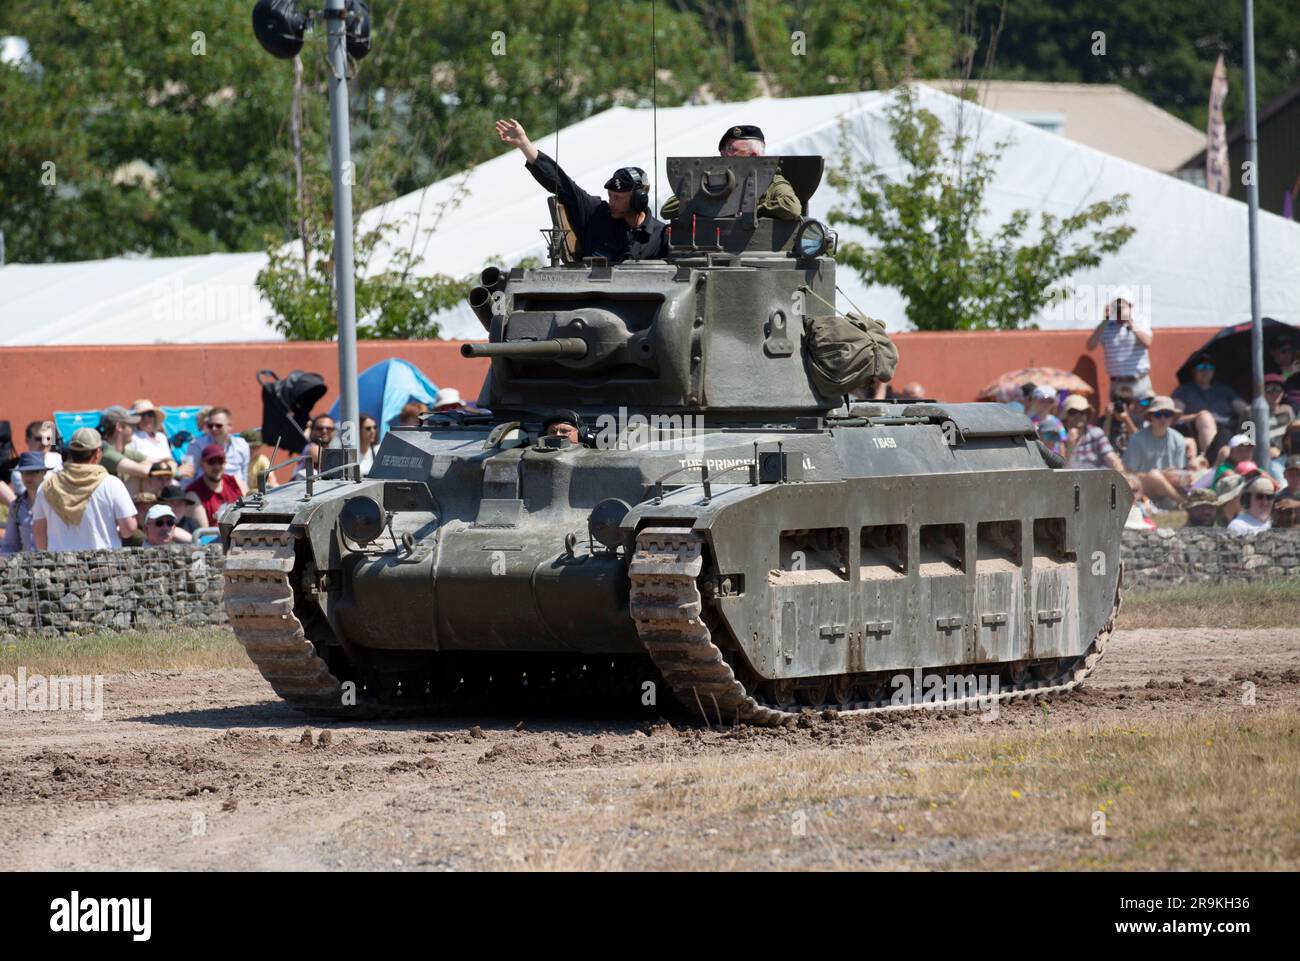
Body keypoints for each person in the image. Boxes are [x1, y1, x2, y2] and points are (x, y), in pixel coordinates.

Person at [495, 118, 668, 262]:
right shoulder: (596, 214)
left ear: (639, 200)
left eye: (618, 197)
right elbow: (562, 184)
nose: (611, 202)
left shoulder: (660, 236)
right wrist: (524, 144)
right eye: (610, 195)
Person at [658, 124, 801, 222]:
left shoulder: (771, 182)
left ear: (754, 156)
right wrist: (705, 200)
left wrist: (752, 208)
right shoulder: (715, 180)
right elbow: (667, 210)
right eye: (724, 150)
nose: (724, 154)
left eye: (731, 150)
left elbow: (792, 207)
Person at [32, 428, 138, 551]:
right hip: (104, 564)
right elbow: (129, 529)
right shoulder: (112, 484)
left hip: (61, 565)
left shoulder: (46, 486)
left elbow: (38, 531)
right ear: (98, 453)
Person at [1172, 354, 1247, 457]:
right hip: (1201, 429)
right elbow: (1175, 417)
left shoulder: (1223, 389)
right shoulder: (1183, 391)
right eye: (1201, 368)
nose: (1206, 371)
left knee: (1251, 415)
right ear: (1193, 371)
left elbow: (1243, 408)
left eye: (1209, 368)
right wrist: (1197, 416)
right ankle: (1212, 459)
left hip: (1228, 428)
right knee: (1205, 417)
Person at [1121, 395, 1191, 505]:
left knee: (1187, 475)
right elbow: (1130, 472)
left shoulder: (1178, 439)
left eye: (1167, 414)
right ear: (1151, 417)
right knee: (1155, 475)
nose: (1163, 419)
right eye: (1158, 414)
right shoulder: (1137, 439)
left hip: (1168, 482)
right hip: (1140, 483)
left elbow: (1178, 469)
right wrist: (1159, 476)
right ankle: (1183, 502)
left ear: (1172, 418)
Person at [1087, 293, 1153, 400]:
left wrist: (1130, 322)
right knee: (1118, 414)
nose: (1119, 311)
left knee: (1144, 413)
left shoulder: (1140, 322)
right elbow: (1090, 346)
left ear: (1130, 307)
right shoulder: (1106, 327)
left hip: (1139, 382)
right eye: (1116, 307)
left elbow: (1147, 342)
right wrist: (1105, 321)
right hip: (1117, 384)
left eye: (1122, 307)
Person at [179, 406, 250, 492]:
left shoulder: (242, 445)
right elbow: (188, 474)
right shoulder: (196, 445)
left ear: (230, 426)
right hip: (205, 495)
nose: (214, 429)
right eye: (210, 425)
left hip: (235, 495)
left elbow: (244, 475)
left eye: (218, 425)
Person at [1061, 395, 1126, 473]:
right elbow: (1062, 471)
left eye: (1082, 412)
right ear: (1066, 416)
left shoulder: (1095, 433)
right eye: (1073, 412)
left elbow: (1111, 458)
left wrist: (1124, 476)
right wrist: (1070, 447)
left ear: (1087, 415)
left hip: (1096, 481)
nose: (1078, 416)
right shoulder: (1058, 435)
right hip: (1070, 482)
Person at [5, 419, 63, 505]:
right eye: (39, 439)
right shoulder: (19, 473)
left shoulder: (57, 457)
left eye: (48, 439)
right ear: (27, 441)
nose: (44, 443)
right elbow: (32, 501)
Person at [1, 453, 49, 554]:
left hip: (55, 565)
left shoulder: (54, 503)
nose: (28, 476)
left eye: (34, 472)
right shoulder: (16, 506)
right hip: (28, 567)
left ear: (44, 472)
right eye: (24, 472)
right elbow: (10, 545)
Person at [185, 444, 242, 525]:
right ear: (202, 464)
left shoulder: (237, 483)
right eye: (211, 461)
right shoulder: (193, 494)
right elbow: (204, 533)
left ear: (225, 462)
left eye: (220, 460)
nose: (217, 466)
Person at [125, 399, 174, 463]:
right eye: (142, 416)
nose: (146, 419)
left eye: (150, 415)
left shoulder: (162, 437)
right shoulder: (132, 438)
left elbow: (170, 460)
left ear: (154, 417)